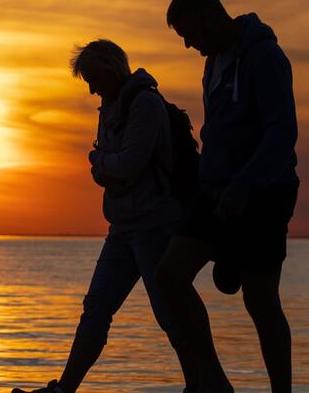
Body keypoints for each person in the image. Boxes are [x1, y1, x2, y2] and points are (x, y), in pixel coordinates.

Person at [12, 39, 198, 393]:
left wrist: (99, 164)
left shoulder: (144, 104)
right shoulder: (110, 107)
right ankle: (65, 389)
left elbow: (127, 163)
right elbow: (113, 170)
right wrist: (107, 169)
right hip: (123, 227)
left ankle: (199, 385)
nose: (92, 88)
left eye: (94, 79)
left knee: (169, 313)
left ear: (112, 69)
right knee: (96, 308)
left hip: (155, 225)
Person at [155, 0, 299, 393]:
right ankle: (213, 381)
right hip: (214, 192)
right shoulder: (214, 62)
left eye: (188, 33)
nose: (187, 44)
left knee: (261, 301)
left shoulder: (264, 57)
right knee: (170, 274)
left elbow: (281, 132)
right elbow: (218, 133)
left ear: (209, 17)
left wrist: (244, 185)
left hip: (265, 193)